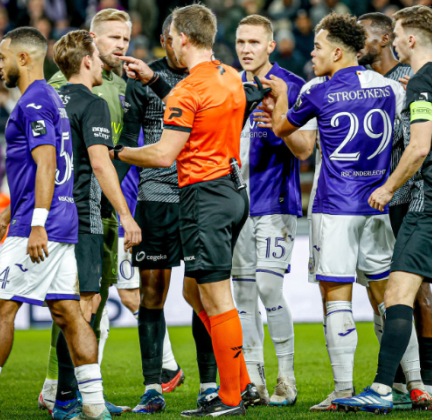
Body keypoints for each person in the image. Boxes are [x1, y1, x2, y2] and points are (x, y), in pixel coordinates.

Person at [0, 27, 109, 420]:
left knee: (0, 311)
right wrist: (8, 214)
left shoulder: (33, 102)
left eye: (2, 57)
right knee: (67, 312)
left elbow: (47, 163)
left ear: (24, 58)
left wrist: (35, 225)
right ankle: (96, 408)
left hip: (41, 227)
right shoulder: (51, 101)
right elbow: (38, 173)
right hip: (61, 221)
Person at [333, 5, 432, 413]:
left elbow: (418, 147)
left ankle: (384, 389)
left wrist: (387, 187)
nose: (396, 41)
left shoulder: (420, 82)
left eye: (399, 33)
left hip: (431, 202)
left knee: (399, 293)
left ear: (410, 38)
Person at [254, 12, 412, 412]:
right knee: (386, 298)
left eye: (319, 46)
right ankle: (417, 385)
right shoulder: (390, 88)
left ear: (338, 52)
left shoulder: (316, 89)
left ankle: (343, 391)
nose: (312, 53)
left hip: (335, 206)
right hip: (376, 204)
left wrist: (281, 99)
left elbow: (285, 133)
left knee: (336, 298)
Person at [115, 4, 261, 416]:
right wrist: (156, 81)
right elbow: (199, 106)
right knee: (193, 291)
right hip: (232, 191)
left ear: (179, 38)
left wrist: (115, 151)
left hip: (204, 197)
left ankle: (230, 397)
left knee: (215, 297)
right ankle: (243, 382)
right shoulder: (229, 76)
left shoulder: (187, 91)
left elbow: (164, 154)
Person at [44, 29, 142, 420]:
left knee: (70, 308)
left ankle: (81, 395)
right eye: (99, 59)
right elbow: (101, 165)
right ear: (87, 62)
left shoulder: (47, 100)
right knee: (86, 307)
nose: (104, 64)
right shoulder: (92, 102)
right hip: (85, 216)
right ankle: (71, 399)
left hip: (51, 217)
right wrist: (125, 214)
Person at [119, 15, 213, 414]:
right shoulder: (143, 80)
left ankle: (209, 385)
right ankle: (153, 387)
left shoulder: (209, 74)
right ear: (164, 40)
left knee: (202, 295)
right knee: (151, 297)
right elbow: (125, 142)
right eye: (171, 40)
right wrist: (118, 204)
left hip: (199, 198)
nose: (176, 46)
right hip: (156, 199)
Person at [356, 12, 432, 410]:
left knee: (417, 290)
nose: (359, 43)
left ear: (388, 38)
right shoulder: (368, 83)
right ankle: (400, 380)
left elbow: (423, 143)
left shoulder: (411, 78)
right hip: (381, 200)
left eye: (364, 37)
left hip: (409, 198)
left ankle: (426, 380)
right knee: (386, 293)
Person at [232, 14, 308, 407]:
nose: (246, 49)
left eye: (254, 43)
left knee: (267, 287)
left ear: (270, 46)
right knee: (242, 295)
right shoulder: (228, 84)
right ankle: (256, 384)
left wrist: (280, 111)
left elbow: (305, 149)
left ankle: (287, 380)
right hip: (235, 206)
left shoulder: (292, 85)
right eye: (241, 42)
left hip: (275, 202)